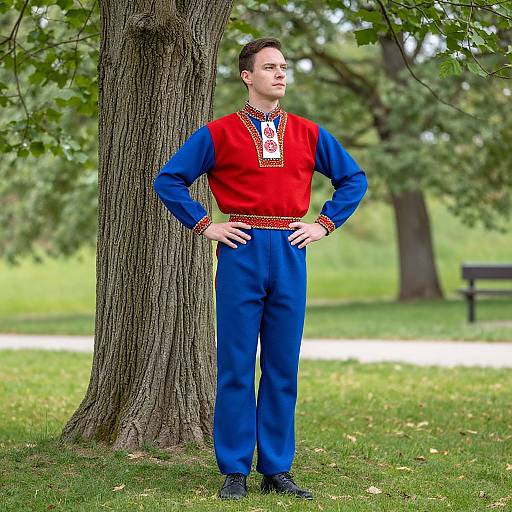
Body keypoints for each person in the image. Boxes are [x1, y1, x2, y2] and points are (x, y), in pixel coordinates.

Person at [153, 37, 368, 500]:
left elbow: (354, 178)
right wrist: (206, 225)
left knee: (282, 365)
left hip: (291, 250)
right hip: (242, 249)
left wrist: (323, 224)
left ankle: (277, 468)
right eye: (270, 67)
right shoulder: (218, 133)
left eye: (284, 67)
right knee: (234, 364)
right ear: (247, 76)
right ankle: (234, 469)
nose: (280, 74)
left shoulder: (310, 133)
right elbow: (168, 179)